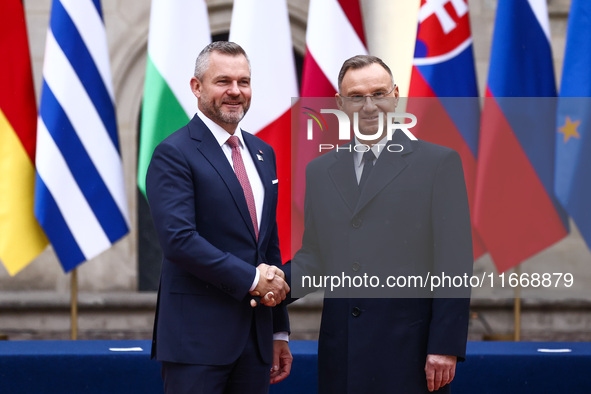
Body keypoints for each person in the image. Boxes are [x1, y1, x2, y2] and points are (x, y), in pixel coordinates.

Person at [291, 55, 473, 393]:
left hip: (412, 354)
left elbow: (454, 262)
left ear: (396, 96)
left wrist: (445, 344)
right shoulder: (320, 171)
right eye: (357, 97)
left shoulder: (438, 163)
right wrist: (266, 282)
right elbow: (316, 256)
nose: (370, 106)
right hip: (342, 352)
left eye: (379, 93)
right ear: (340, 103)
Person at [146, 41, 292, 394]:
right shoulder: (173, 153)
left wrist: (277, 330)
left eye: (243, 82)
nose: (235, 92)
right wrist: (253, 281)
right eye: (223, 81)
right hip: (197, 343)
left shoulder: (262, 153)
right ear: (197, 87)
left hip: (256, 343)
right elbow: (179, 241)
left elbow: (266, 247)